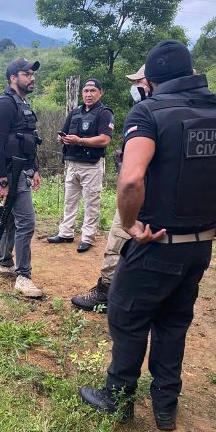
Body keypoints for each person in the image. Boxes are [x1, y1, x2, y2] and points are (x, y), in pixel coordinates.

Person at [80, 40, 216, 431]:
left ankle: (117, 399)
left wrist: (131, 225)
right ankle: (166, 405)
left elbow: (131, 179)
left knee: (128, 318)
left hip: (156, 243)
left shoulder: (148, 113)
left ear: (151, 80)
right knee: (174, 322)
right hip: (200, 246)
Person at [71, 66, 150, 311]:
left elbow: (132, 175)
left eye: (140, 81)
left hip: (141, 190)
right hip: (172, 198)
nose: (137, 86)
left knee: (118, 238)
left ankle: (106, 291)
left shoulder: (147, 112)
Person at [0, 57, 43, 298]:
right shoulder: (3, 104)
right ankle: (23, 276)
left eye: (32, 74)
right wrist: (1, 180)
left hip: (24, 170)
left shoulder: (23, 103)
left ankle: (5, 263)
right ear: (13, 78)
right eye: (26, 74)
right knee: (26, 223)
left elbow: (29, 140)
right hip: (11, 172)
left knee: (10, 220)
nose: (32, 78)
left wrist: (35, 169)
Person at [47, 79, 114, 253]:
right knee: (69, 201)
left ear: (100, 93)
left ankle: (87, 237)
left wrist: (80, 141)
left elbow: (105, 140)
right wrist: (62, 138)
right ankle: (66, 233)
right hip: (72, 162)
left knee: (91, 202)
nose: (88, 94)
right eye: (86, 91)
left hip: (91, 165)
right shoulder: (75, 112)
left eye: (92, 91)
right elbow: (63, 132)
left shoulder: (104, 113)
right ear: (82, 93)